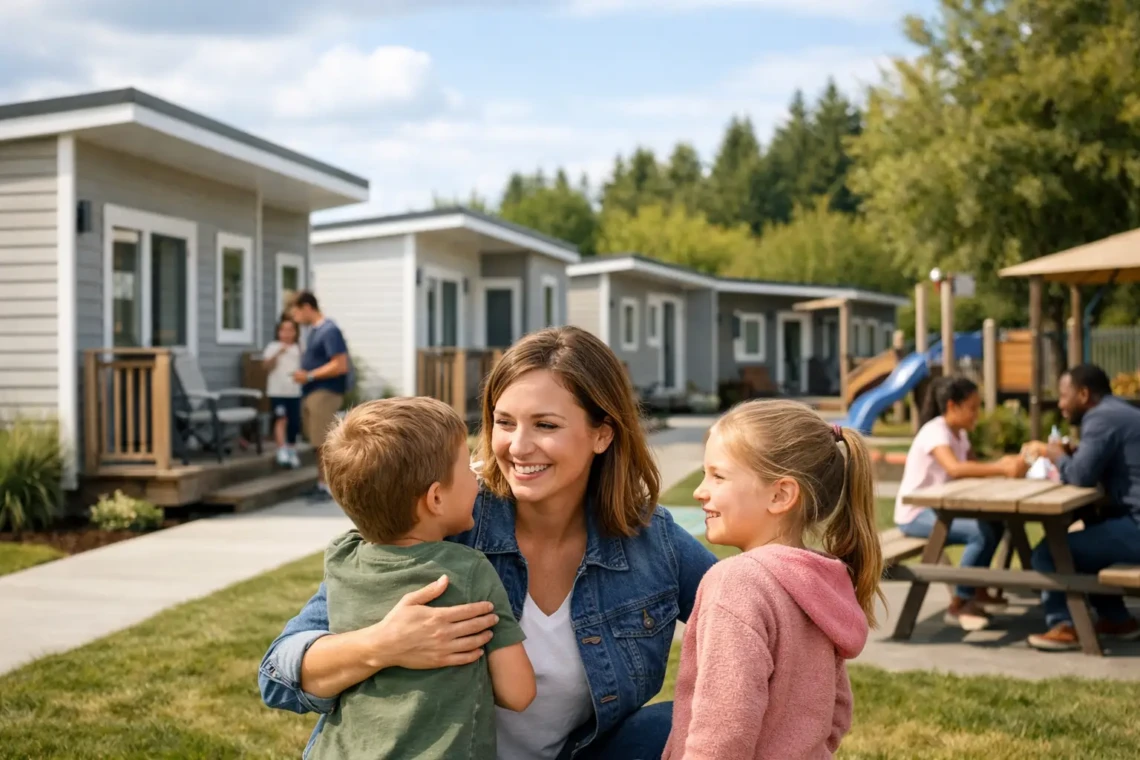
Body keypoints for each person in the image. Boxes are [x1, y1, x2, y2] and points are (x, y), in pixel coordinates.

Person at [259, 326, 718, 760]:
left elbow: (753, 620)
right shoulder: (444, 517)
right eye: (503, 422)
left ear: (602, 433)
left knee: (674, 723)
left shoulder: (654, 543)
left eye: (545, 425)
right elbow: (278, 672)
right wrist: (383, 644)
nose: (517, 447)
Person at [308, 397, 534, 759]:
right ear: (436, 498)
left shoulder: (341, 558)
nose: (477, 476)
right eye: (466, 468)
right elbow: (519, 693)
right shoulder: (468, 572)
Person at [663, 400, 881, 759]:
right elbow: (837, 711)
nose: (701, 490)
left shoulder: (736, 582)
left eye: (718, 476)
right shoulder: (822, 582)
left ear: (780, 495)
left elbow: (723, 729)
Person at [1020, 363, 1140, 651]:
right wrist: (1074, 454)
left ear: (1084, 394)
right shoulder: (1121, 412)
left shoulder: (1100, 419)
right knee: (1089, 538)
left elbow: (1079, 477)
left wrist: (1057, 455)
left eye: (1064, 396)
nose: (1061, 404)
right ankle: (1116, 620)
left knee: (1049, 553)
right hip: (1130, 521)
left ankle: (1065, 625)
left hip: (1136, 528)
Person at [894, 376, 1028, 630]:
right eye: (973, 408)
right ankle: (960, 602)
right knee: (979, 533)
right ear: (952, 406)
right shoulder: (935, 431)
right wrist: (1001, 468)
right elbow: (955, 469)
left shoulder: (959, 434)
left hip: (941, 509)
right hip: (916, 513)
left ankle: (975, 588)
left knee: (996, 525)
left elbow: (974, 466)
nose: (977, 414)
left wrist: (1004, 464)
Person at [291, 291, 350, 501]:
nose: (295, 318)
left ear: (307, 307)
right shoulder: (315, 331)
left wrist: (308, 376)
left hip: (325, 392)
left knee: (325, 442)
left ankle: (329, 487)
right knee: (318, 441)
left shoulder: (329, 330)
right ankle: (321, 484)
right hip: (314, 392)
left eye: (296, 312)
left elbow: (340, 364)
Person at [263, 317, 303, 469]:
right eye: (283, 330)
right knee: (281, 419)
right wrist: (278, 353)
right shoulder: (273, 346)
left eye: (290, 330)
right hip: (277, 391)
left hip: (294, 392)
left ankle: (291, 449)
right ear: (278, 332)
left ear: (295, 332)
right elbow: (265, 366)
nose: (286, 334)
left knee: (293, 423)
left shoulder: (299, 348)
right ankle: (281, 449)